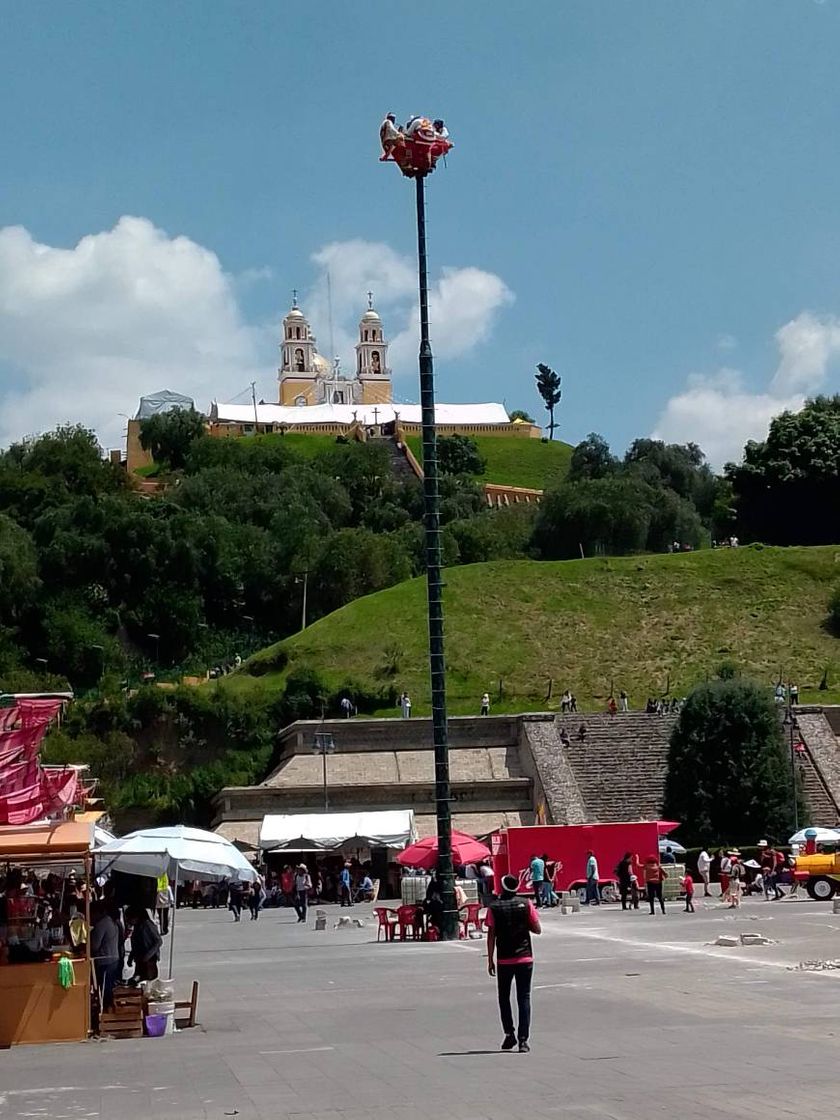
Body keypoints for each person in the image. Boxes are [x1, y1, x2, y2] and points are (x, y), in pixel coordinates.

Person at [486, 873, 542, 1053]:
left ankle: (509, 1034)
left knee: (504, 997)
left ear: (502, 887)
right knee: (523, 997)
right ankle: (523, 1040)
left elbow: (491, 935)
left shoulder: (493, 907)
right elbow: (537, 929)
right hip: (525, 957)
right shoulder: (526, 904)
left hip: (504, 958)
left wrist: (490, 959)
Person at [91, 902, 123, 1011]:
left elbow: (94, 946)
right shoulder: (112, 922)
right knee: (109, 988)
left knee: (105, 990)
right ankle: (108, 1009)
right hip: (114, 959)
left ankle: (107, 1011)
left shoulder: (102, 924)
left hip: (105, 961)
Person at [126, 906, 162, 982]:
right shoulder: (137, 926)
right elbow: (136, 944)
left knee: (147, 981)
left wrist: (148, 955)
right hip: (139, 959)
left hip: (149, 960)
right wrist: (131, 957)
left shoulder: (148, 925)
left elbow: (158, 941)